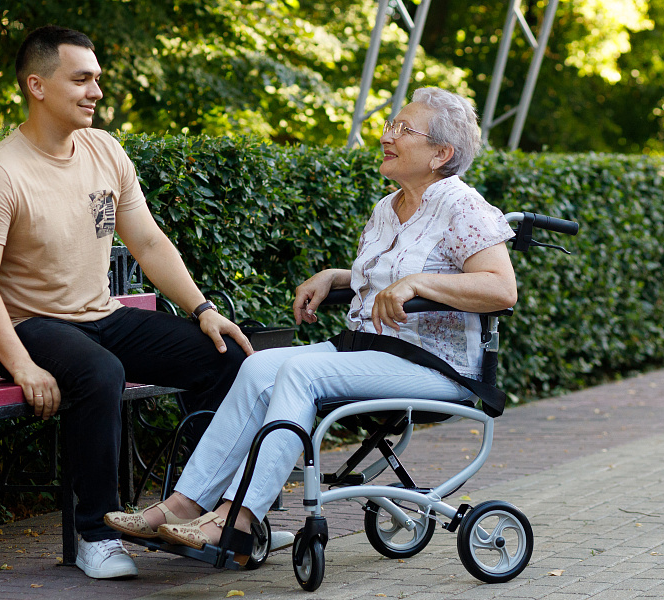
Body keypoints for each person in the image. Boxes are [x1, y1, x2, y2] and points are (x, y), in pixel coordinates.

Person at [105, 87, 517, 562]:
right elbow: (387, 275)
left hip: (436, 366)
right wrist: (337, 276)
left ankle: (238, 520)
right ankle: (183, 504)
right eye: (390, 125)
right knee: (257, 367)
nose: (387, 136)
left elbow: (501, 288)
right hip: (369, 349)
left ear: (441, 154)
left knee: (301, 373)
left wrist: (418, 283)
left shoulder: (462, 205)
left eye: (404, 129)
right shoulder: (388, 208)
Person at [0, 25, 253, 580]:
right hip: (29, 327)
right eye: (81, 79)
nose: (95, 91)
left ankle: (210, 512)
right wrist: (20, 364)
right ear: (37, 85)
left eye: (96, 79)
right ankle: (96, 534)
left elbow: (149, 243)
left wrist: (203, 310)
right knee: (100, 372)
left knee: (224, 356)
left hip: (101, 316)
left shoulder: (105, 150)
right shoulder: (0, 174)